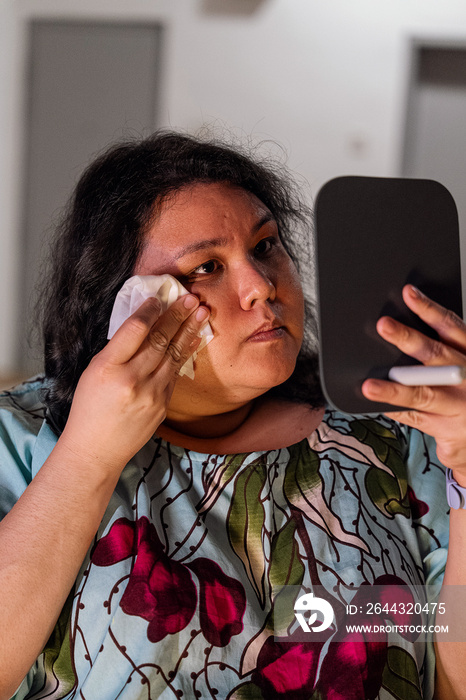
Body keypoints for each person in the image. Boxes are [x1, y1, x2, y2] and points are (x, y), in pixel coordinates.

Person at [0, 131, 463, 700]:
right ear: (126, 306)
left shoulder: (395, 432)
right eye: (205, 267)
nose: (261, 287)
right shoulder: (22, 441)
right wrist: (88, 456)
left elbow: (453, 678)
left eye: (266, 246)